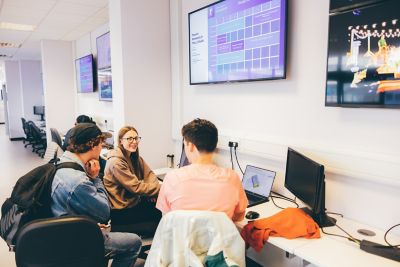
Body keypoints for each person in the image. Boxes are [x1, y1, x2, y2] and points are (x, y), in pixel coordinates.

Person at [51, 123, 142, 267]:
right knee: (134, 242)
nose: (102, 148)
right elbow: (105, 213)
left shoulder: (62, 162)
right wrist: (95, 178)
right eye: (101, 144)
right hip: (76, 238)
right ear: (93, 145)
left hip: (62, 231)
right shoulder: (78, 180)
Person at [156, 118, 248, 221]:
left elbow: (167, 219)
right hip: (219, 237)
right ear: (214, 144)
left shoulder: (172, 178)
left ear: (190, 146)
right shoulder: (232, 178)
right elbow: (239, 216)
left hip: (184, 237)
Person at [103, 126, 161, 235]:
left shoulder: (133, 156)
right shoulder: (116, 162)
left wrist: (152, 192)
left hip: (133, 201)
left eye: (136, 138)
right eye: (129, 139)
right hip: (121, 210)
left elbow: (149, 174)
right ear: (120, 141)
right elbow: (136, 188)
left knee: (159, 210)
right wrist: (159, 188)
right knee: (158, 220)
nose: (134, 141)